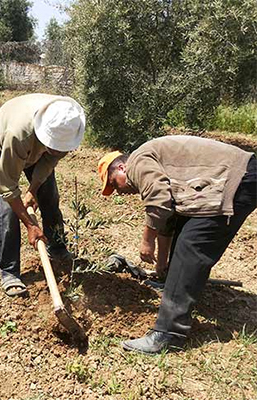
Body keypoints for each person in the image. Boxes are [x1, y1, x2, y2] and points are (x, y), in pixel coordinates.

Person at [98, 135, 257, 355]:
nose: (119, 191)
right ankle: (172, 286)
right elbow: (170, 218)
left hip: (235, 178)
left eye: (114, 183)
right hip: (237, 175)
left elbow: (158, 200)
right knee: (185, 229)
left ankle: (168, 334)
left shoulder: (137, 161)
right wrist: (162, 267)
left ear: (122, 167)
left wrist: (147, 241)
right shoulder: (152, 161)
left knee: (190, 246)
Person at [0, 93, 85, 296]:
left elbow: (49, 160)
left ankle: (57, 249)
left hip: (35, 144)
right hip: (1, 143)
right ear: (45, 134)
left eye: (60, 149)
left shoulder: (68, 124)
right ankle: (10, 271)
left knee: (49, 196)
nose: (58, 152)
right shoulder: (18, 135)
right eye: (54, 147)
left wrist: (33, 189)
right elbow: (7, 187)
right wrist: (31, 225)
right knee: (9, 211)